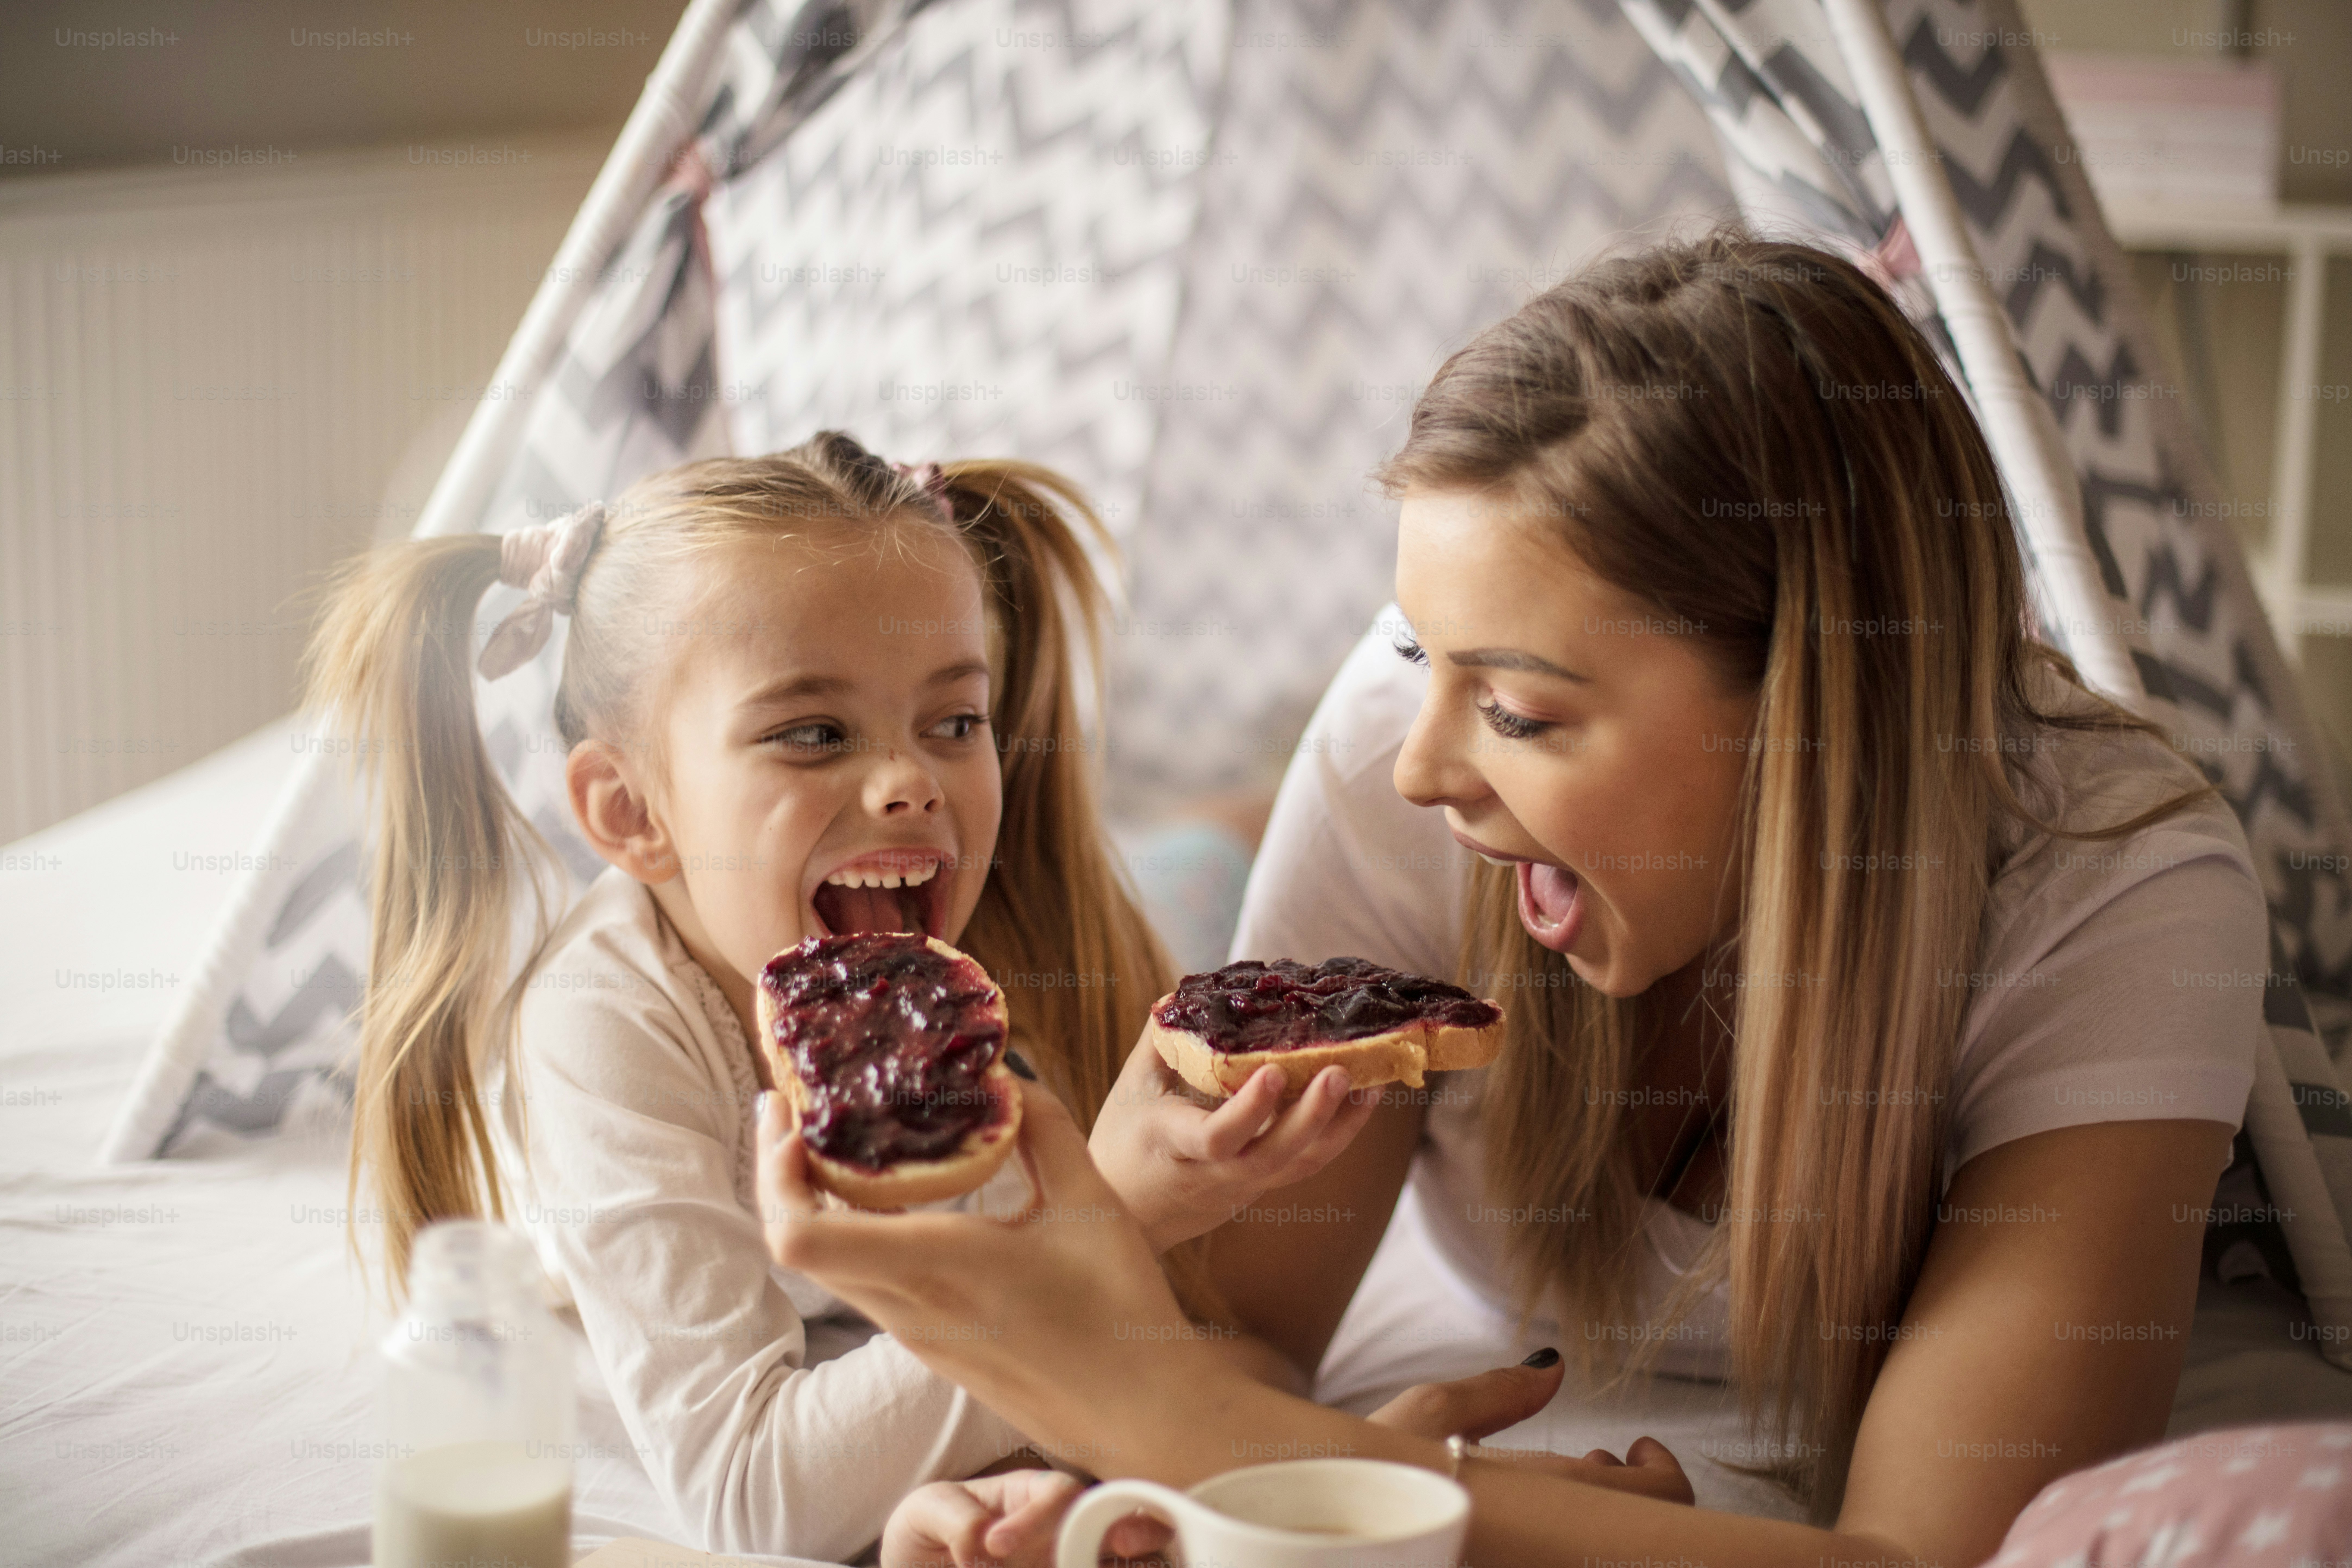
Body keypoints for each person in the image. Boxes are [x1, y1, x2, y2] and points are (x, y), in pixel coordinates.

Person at [758, 230, 2278, 1567]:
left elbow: (1918, 1558)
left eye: (1525, 714)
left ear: (1823, 714)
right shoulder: (1388, 759)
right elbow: (1247, 1358)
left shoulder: (2120, 888)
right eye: (1421, 654)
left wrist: (1209, 1435)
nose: (1421, 768)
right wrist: (1154, 1483)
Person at [304, 434, 1371, 1559]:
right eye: (812, 733)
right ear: (629, 814)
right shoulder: (601, 1026)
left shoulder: (976, 944)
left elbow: (1206, 1353)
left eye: (954, 722)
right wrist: (1103, 1224)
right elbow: (755, 1490)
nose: (912, 782)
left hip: (1164, 885)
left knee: (1207, 859)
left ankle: (1243, 801)